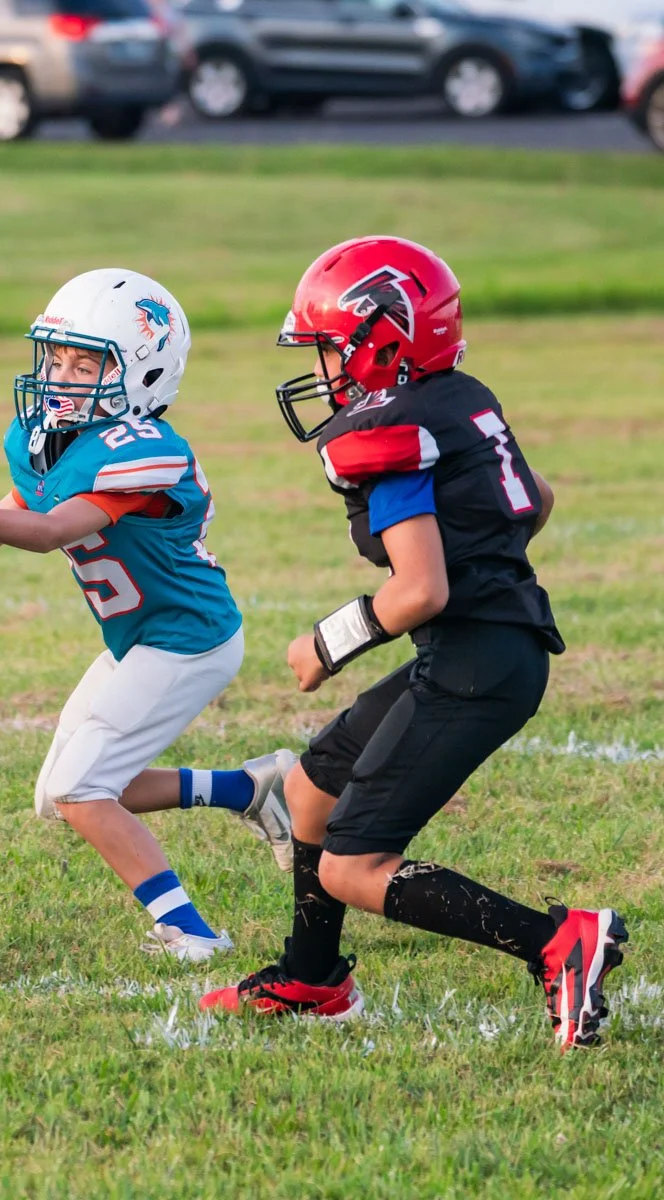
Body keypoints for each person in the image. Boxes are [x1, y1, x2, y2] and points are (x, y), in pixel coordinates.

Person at [200, 236, 626, 1050]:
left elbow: (418, 590)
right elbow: (535, 499)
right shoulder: (458, 397)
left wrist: (323, 645)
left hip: (477, 663)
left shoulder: (391, 433)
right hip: (483, 648)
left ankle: (557, 943)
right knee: (311, 790)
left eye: (328, 347)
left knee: (351, 865)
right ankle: (313, 978)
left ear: (379, 338)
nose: (322, 369)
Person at [0, 268, 295, 964]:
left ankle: (191, 934)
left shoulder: (144, 450)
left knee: (83, 788)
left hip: (188, 640)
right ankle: (250, 788)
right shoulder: (45, 435)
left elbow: (52, 530)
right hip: (141, 635)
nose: (61, 376)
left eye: (86, 363)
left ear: (145, 375)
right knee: (62, 794)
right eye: (57, 357)